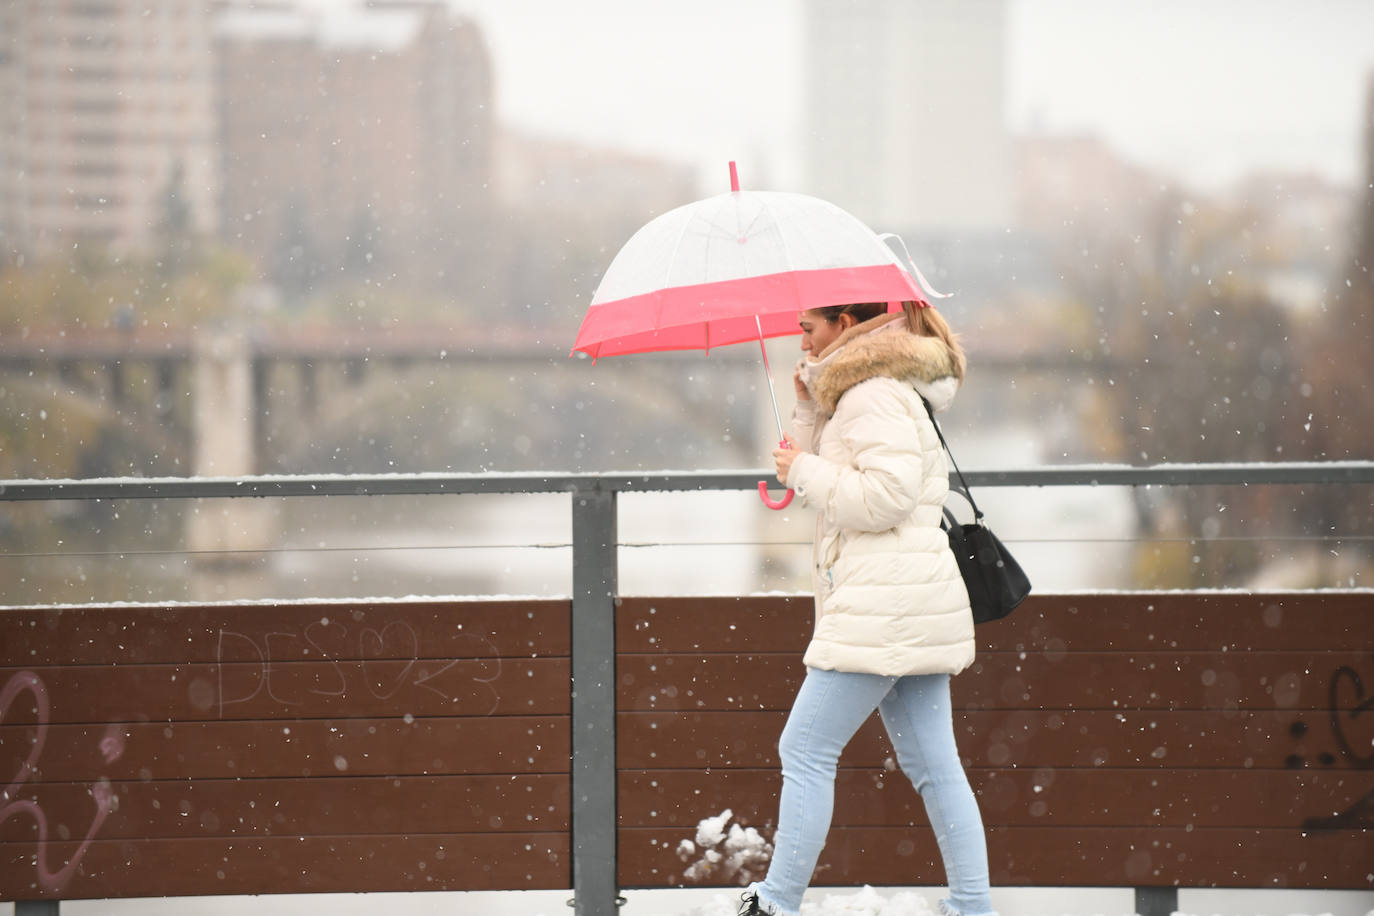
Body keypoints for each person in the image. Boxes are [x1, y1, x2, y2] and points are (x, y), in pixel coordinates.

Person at [737, 300, 995, 916]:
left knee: (804, 749)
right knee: (933, 763)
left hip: (885, 602)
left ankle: (775, 903)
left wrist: (805, 468)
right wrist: (804, 406)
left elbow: (882, 499)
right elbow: (803, 475)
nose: (800, 338)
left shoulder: (870, 395)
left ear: (845, 325)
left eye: (807, 327)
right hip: (904, 596)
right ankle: (973, 906)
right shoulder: (863, 391)